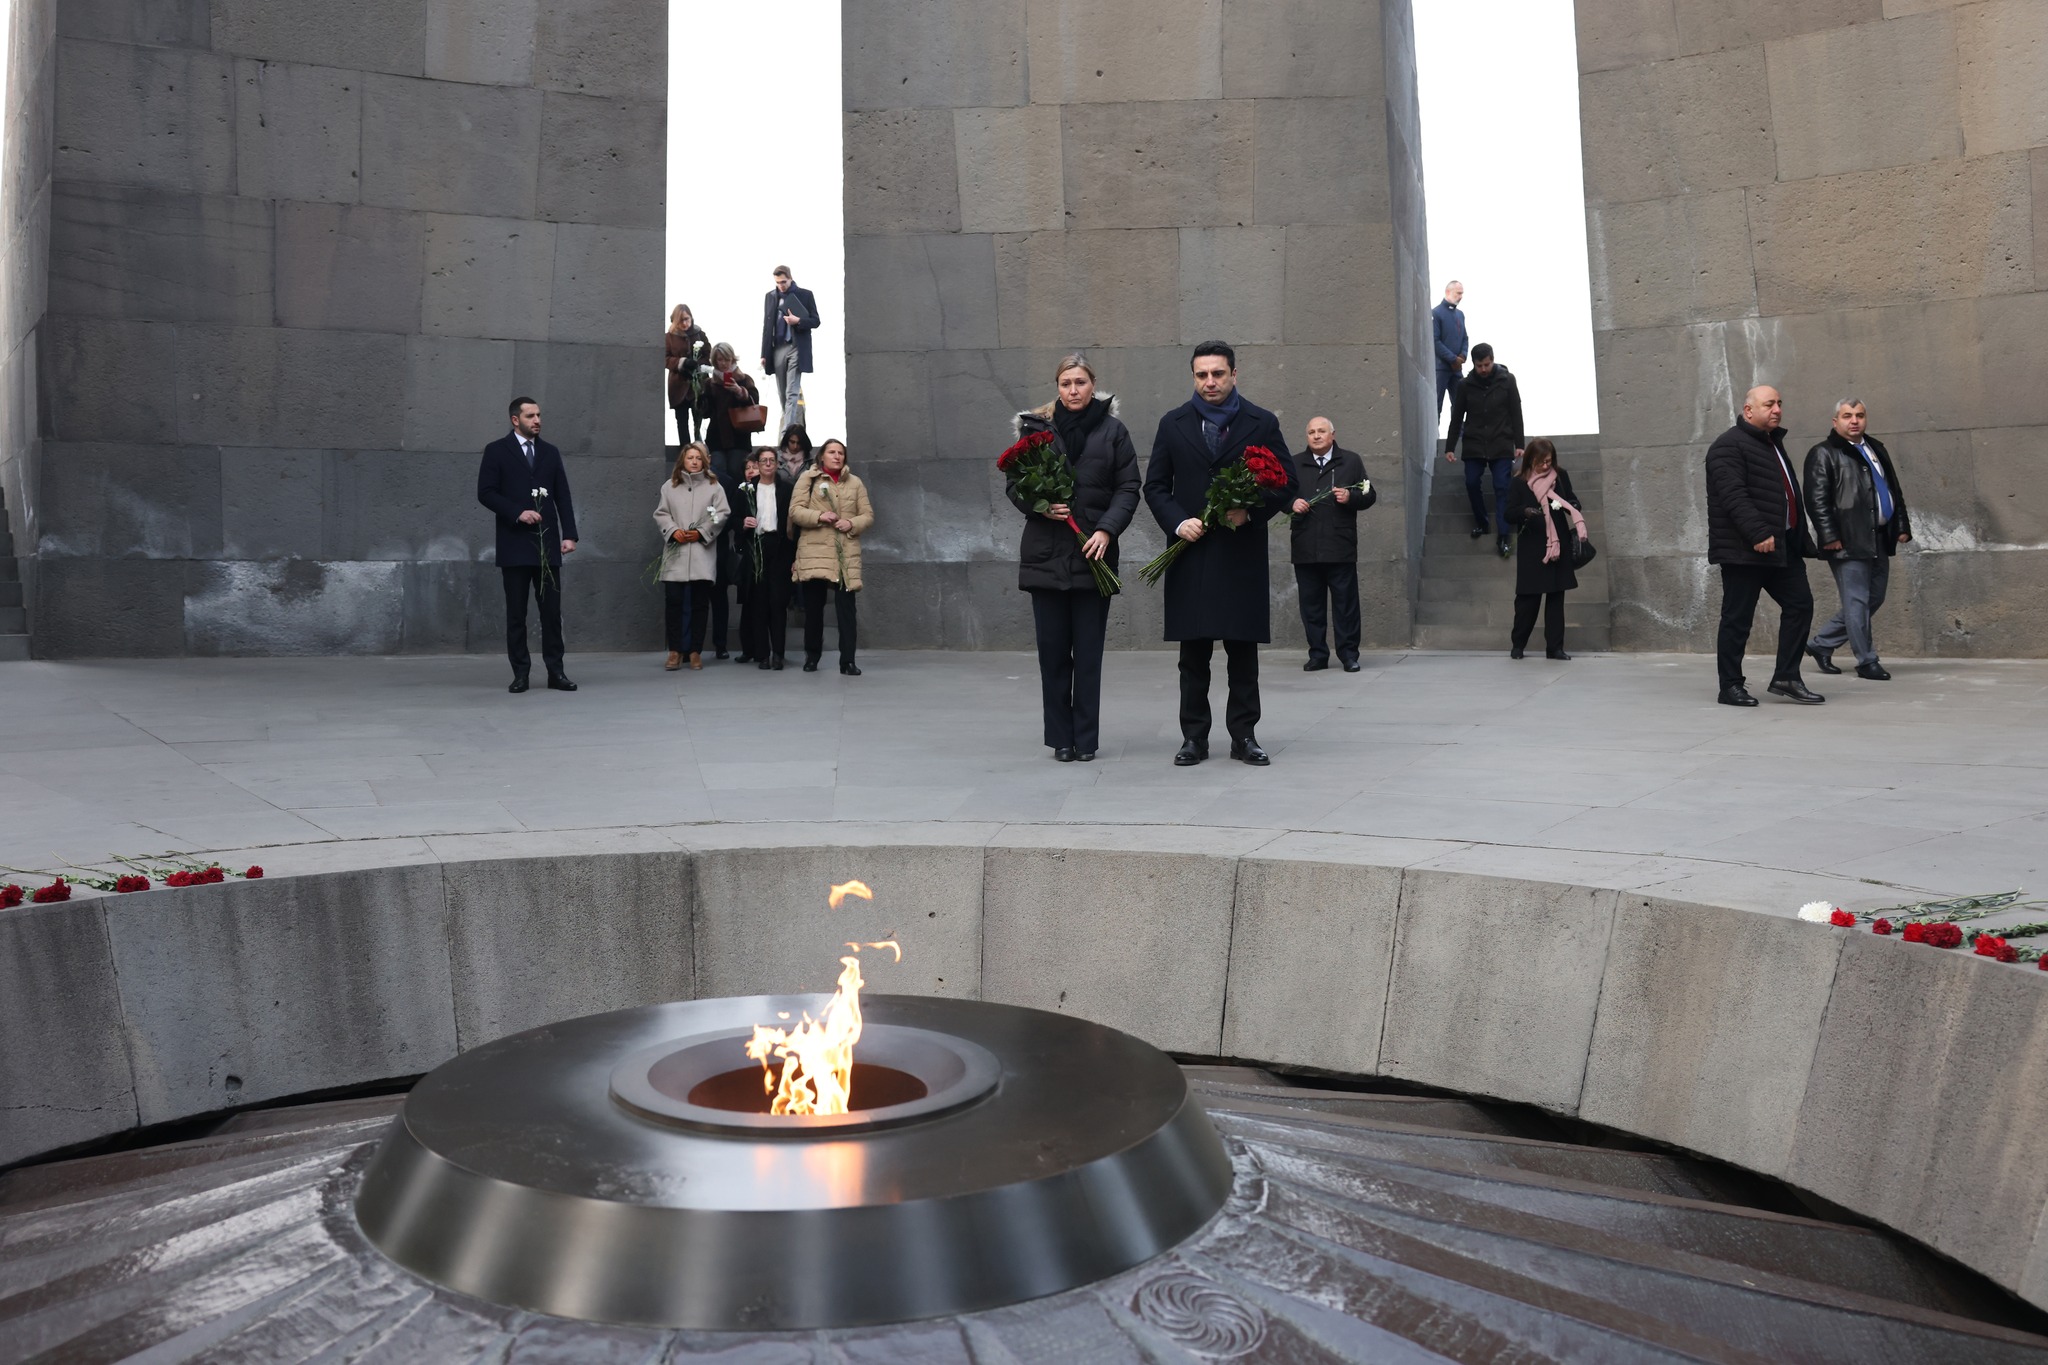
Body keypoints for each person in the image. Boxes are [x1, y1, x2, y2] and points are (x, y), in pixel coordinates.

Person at [1144, 341, 1299, 767]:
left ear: (1234, 374)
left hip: (1239, 555)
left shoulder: (1261, 422)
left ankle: (1244, 736)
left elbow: (1286, 482)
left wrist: (1249, 513)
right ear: (1193, 376)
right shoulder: (1172, 423)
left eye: (1217, 373)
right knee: (1192, 656)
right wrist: (1178, 522)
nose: (1209, 382)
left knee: (1242, 654)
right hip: (1190, 553)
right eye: (1201, 375)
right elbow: (1155, 485)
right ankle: (1194, 738)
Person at [1008, 354, 1142, 762]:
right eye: (1066, 383)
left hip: (1092, 557)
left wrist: (1106, 529)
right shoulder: (1035, 429)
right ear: (1058, 386)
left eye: (1080, 382)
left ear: (1092, 383)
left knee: (1087, 655)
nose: (1073, 390)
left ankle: (1086, 740)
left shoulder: (1113, 431)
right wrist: (1040, 505)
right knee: (1052, 654)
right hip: (1045, 557)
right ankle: (1060, 739)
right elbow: (1015, 484)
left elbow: (1129, 486)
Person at [1705, 385, 1823, 707]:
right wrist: (1758, 532)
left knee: (1800, 605)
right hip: (1745, 550)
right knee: (1737, 619)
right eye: (1769, 404)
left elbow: (1784, 495)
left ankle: (1787, 676)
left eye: (1779, 404)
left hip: (1781, 547)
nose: (1777, 410)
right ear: (1748, 410)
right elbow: (1733, 496)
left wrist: (1799, 537)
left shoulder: (1771, 443)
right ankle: (1730, 686)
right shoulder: (1728, 446)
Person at [1805, 399, 1912, 681]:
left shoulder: (1876, 448)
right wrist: (1829, 536)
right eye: (1847, 416)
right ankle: (1866, 661)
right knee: (1856, 602)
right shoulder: (1823, 453)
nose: (1854, 421)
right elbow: (1816, 500)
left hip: (1877, 537)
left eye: (1860, 415)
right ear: (1835, 421)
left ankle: (1821, 644)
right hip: (1846, 541)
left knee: (1874, 597)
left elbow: (1892, 490)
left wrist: (1900, 525)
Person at [477, 397, 578, 694]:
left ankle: (556, 673)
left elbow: (563, 496)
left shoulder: (550, 452)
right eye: (530, 415)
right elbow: (485, 492)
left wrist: (569, 534)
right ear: (515, 420)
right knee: (516, 615)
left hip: (547, 545)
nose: (537, 420)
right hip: (514, 544)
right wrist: (516, 512)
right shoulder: (497, 451)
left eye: (539, 415)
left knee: (551, 613)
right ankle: (520, 674)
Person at [1288, 416, 1376, 673]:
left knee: (1345, 606)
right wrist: (1291, 504)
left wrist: (1351, 496)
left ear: (1332, 435)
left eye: (1321, 431)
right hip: (1306, 546)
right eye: (1311, 432)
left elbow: (1370, 494)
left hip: (1340, 546)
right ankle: (1317, 655)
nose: (1316, 436)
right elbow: (1278, 494)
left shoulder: (1351, 461)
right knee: (1311, 606)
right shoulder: (1294, 463)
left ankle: (1349, 654)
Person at [790, 439, 873, 676]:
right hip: (815, 551)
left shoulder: (855, 482)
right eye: (832, 452)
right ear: (822, 456)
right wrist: (819, 516)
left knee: (847, 610)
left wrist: (852, 522)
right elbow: (795, 512)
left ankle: (848, 661)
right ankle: (812, 657)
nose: (837, 456)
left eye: (841, 453)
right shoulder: (809, 478)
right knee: (814, 608)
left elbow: (868, 515)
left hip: (845, 552)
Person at [1503, 438, 1587, 661]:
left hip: (1558, 547)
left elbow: (1572, 500)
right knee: (1527, 601)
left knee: (1556, 600)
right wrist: (1525, 512)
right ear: (1531, 460)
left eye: (1549, 461)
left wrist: (1573, 507)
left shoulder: (1560, 476)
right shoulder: (1519, 482)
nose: (1545, 466)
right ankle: (1518, 645)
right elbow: (1508, 514)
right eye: (1541, 462)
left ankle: (1555, 648)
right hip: (1533, 548)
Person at [653, 442, 730, 671]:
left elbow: (722, 514)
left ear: (704, 461)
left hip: (701, 553)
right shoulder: (670, 486)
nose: (695, 461)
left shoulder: (714, 486)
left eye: (698, 458)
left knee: (699, 604)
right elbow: (661, 513)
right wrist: (673, 531)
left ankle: (695, 651)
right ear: (682, 461)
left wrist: (703, 531)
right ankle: (675, 651)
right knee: (674, 603)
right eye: (690, 458)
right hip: (676, 554)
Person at [1445, 342, 1524, 559]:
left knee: (1502, 487)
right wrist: (1450, 447)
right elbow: (1457, 417)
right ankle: (1482, 522)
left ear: (1493, 359)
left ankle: (1504, 536)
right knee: (1471, 482)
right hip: (1474, 443)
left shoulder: (1507, 380)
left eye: (1487, 364)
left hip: (1501, 442)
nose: (1483, 369)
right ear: (1474, 364)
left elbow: (1516, 412)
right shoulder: (1465, 385)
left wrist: (1520, 444)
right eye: (1479, 365)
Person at [736, 441, 795, 669]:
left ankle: (778, 653)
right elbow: (735, 519)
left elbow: (793, 524)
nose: (768, 464)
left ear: (777, 464)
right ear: (757, 465)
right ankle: (762, 654)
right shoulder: (747, 489)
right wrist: (743, 524)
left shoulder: (787, 489)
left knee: (778, 602)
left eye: (772, 460)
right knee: (758, 603)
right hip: (755, 546)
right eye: (764, 461)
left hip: (779, 548)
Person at [759, 265, 821, 437]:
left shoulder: (805, 295)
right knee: (782, 393)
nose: (781, 286)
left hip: (796, 347)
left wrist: (798, 320)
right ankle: (789, 425)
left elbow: (815, 321)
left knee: (792, 390)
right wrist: (764, 354)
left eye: (784, 282)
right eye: (778, 282)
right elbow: (767, 327)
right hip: (777, 348)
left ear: (790, 278)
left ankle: (787, 432)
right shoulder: (770, 297)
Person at [702, 343, 762, 487]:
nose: (723, 364)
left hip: (739, 437)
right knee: (718, 475)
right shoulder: (710, 383)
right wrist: (702, 395)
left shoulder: (744, 379)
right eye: (719, 360)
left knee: (737, 474)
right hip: (717, 438)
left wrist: (739, 391)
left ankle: (737, 508)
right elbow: (705, 412)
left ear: (733, 359)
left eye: (726, 359)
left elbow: (755, 402)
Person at [664, 304, 710, 448]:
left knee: (698, 418)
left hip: (697, 384)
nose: (685, 323)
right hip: (678, 384)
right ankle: (684, 451)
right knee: (681, 420)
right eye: (681, 320)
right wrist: (681, 363)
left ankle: (699, 449)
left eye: (687, 319)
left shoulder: (699, 333)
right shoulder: (669, 337)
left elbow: (708, 353)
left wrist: (698, 364)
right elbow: (665, 358)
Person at [1432, 281, 1467, 417]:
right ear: (1448, 292)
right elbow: (1435, 341)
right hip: (1441, 368)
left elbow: (1465, 337)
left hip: (1456, 369)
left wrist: (1463, 355)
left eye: (1462, 293)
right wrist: (1453, 359)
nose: (1461, 296)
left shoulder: (1460, 315)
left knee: (1461, 403)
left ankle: (1459, 434)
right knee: (1437, 404)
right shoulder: (1436, 313)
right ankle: (1435, 435)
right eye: (1458, 293)